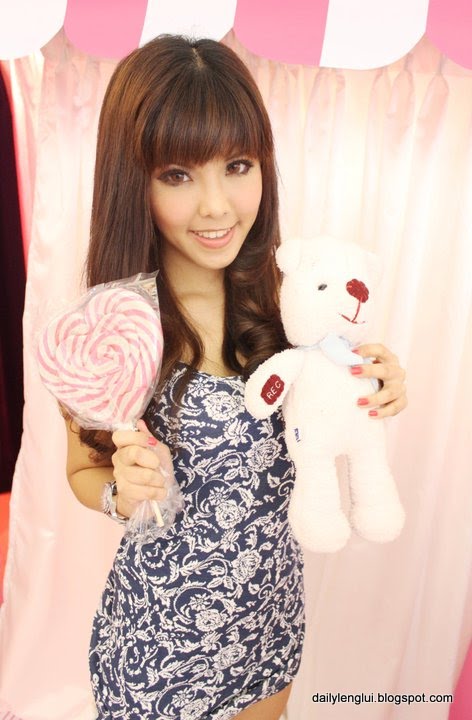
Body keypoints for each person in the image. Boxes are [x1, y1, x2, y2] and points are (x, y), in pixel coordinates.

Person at [64, 35, 407, 720]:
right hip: (161, 639)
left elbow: (331, 414)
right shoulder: (114, 325)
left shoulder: (292, 304)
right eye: (178, 175)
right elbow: (82, 470)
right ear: (134, 180)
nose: (217, 206)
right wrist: (122, 494)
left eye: (237, 165)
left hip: (269, 619)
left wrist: (379, 381)